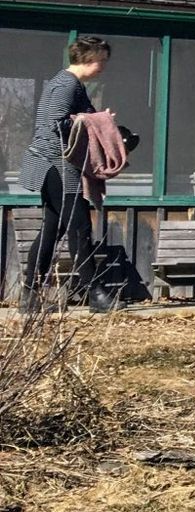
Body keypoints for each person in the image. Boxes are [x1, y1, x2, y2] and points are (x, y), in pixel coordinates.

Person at [18, 35, 111, 308]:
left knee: (53, 228)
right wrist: (89, 122)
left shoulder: (73, 86)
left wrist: (101, 121)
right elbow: (56, 125)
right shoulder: (65, 85)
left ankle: (30, 295)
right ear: (89, 59)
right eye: (102, 61)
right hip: (55, 164)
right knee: (79, 227)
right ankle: (95, 295)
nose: (103, 67)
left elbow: (83, 119)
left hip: (58, 165)